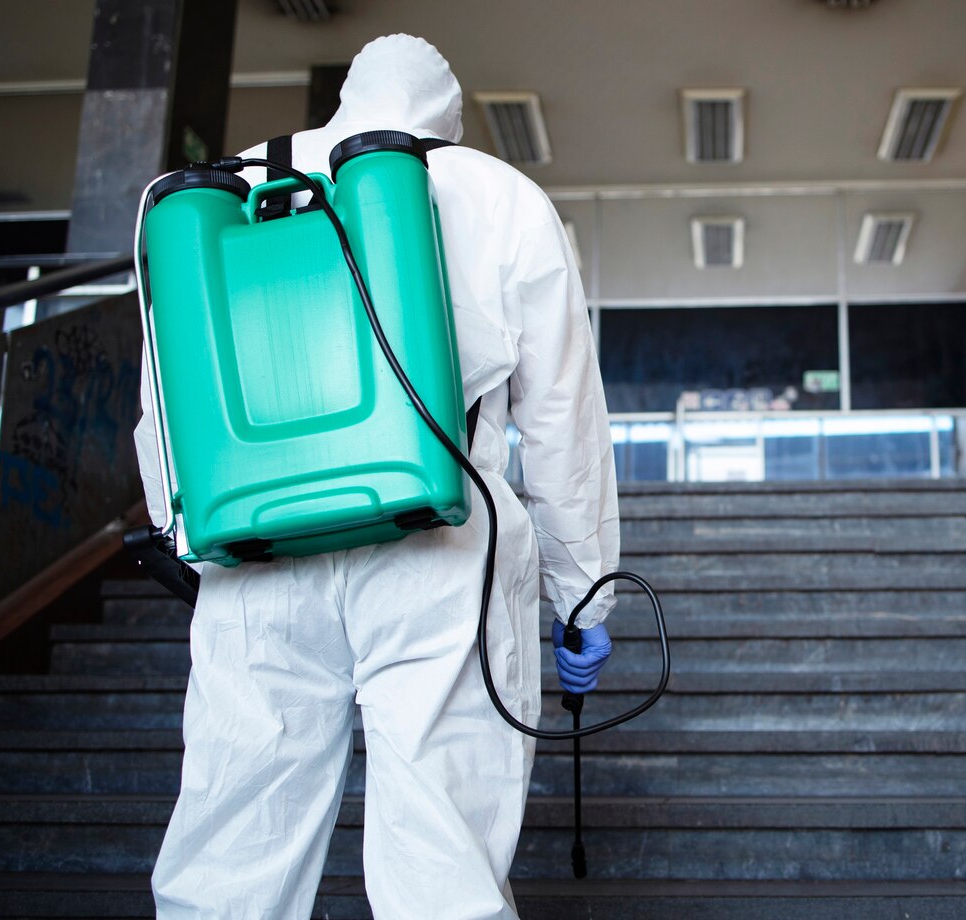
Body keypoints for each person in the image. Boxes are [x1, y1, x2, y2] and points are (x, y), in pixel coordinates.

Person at [132, 34, 620, 919]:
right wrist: (582, 598)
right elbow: (562, 426)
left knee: (229, 855)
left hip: (257, 548)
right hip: (438, 548)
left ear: (343, 105)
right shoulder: (502, 195)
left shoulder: (218, 198)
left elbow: (164, 399)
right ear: (450, 120)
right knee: (442, 867)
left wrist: (194, 546)